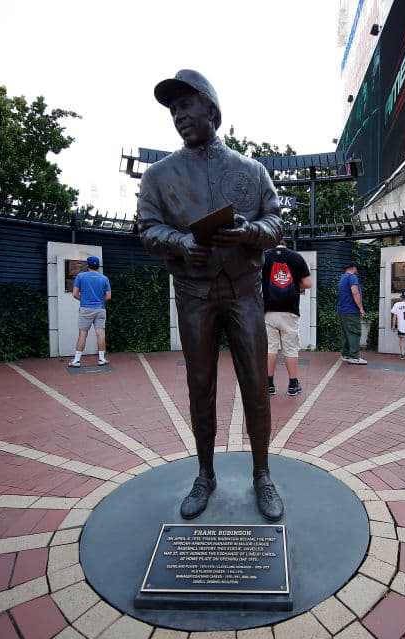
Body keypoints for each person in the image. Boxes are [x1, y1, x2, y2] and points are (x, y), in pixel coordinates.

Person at [138, 69, 284, 521]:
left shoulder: (251, 170)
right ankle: (206, 474)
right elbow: (147, 229)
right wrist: (180, 242)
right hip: (194, 293)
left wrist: (250, 232)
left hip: (244, 292)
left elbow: (276, 222)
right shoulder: (160, 176)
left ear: (211, 109)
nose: (179, 115)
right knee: (199, 387)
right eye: (173, 110)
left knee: (256, 387)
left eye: (186, 105)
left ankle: (262, 474)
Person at [262, 239, 312, 396]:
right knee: (290, 348)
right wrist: (296, 284)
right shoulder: (296, 258)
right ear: (286, 245)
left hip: (268, 310)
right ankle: (292, 385)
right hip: (290, 310)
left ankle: (269, 384)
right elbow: (308, 283)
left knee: (270, 347)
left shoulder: (263, 256)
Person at [69, 255, 111, 367]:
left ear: (87, 265)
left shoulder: (80, 276)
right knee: (100, 333)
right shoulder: (104, 278)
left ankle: (77, 360)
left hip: (85, 309)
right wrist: (100, 302)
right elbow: (108, 297)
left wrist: (83, 300)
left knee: (83, 333)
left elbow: (74, 294)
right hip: (100, 309)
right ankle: (101, 359)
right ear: (98, 266)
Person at [337, 263, 368, 364]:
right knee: (354, 332)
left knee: (346, 333)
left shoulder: (343, 278)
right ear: (353, 268)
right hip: (351, 310)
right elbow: (355, 292)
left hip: (342, 310)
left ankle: (346, 354)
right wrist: (361, 308)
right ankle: (354, 357)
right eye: (356, 268)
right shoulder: (352, 277)